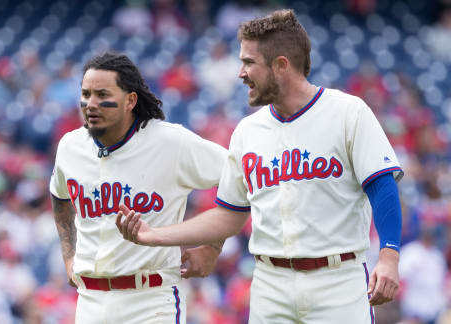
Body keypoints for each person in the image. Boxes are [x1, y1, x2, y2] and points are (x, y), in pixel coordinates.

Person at [116, 9, 404, 324]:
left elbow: (382, 185)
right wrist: (158, 235)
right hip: (270, 283)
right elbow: (228, 214)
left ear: (281, 65)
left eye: (249, 62)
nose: (241, 72)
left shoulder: (347, 112)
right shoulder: (247, 132)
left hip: (339, 281)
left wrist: (389, 256)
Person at [49, 52, 227, 324]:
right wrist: (69, 254)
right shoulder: (70, 146)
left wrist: (212, 247)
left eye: (102, 94)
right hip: (89, 302)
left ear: (130, 100)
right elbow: (59, 196)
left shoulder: (170, 142)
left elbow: (241, 177)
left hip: (150, 299)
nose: (91, 103)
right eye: (86, 94)